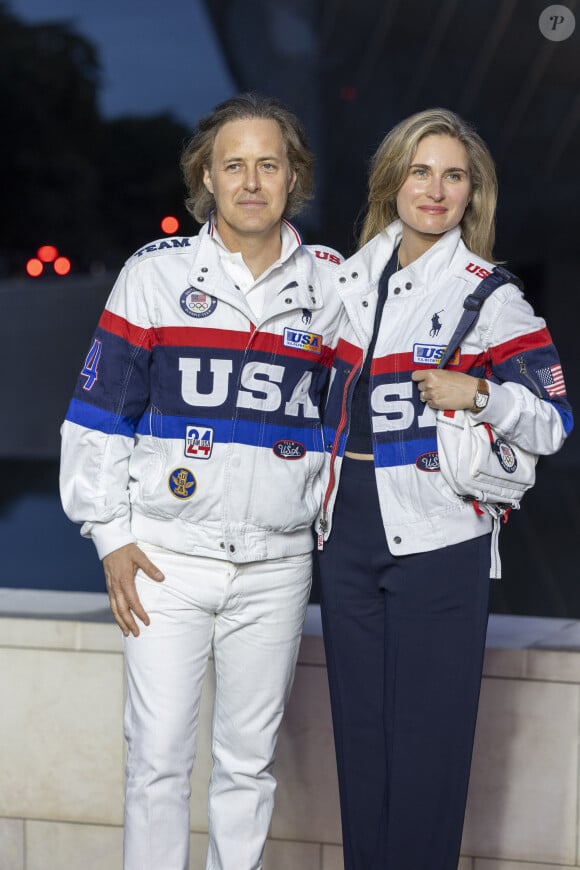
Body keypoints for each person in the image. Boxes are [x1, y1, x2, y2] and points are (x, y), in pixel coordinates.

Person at [59, 92, 343, 870]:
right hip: (164, 562)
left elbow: (352, 419)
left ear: (293, 178)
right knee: (155, 761)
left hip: (277, 565)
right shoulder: (153, 279)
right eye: (234, 165)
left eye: (269, 164)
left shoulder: (333, 287)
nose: (252, 181)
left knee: (247, 766)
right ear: (207, 180)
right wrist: (111, 536)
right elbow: (96, 419)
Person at [314, 107, 573, 870]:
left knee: (428, 749)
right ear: (391, 180)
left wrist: (483, 396)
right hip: (345, 536)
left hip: (440, 541)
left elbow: (555, 422)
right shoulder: (343, 281)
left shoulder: (490, 297)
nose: (435, 189)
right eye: (420, 171)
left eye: (453, 175)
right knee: (361, 744)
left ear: (472, 194)